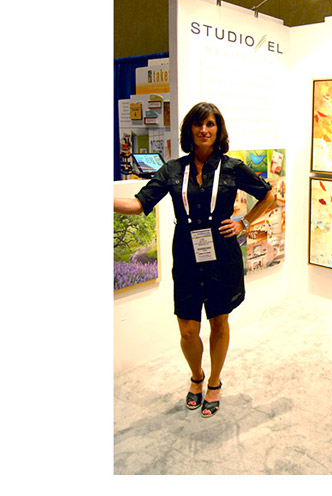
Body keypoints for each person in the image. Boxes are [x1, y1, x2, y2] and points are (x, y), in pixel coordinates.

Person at [114, 102, 275, 416]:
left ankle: (214, 381)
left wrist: (244, 222)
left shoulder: (232, 167)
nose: (204, 130)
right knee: (187, 329)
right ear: (189, 129)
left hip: (222, 254)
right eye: (198, 124)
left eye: (210, 124)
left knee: (219, 321)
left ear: (218, 129)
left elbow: (268, 194)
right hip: (187, 255)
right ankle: (196, 376)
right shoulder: (173, 170)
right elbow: (139, 203)